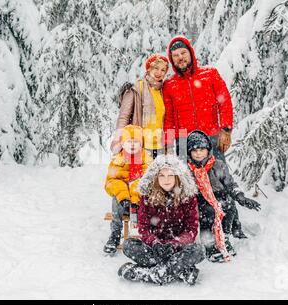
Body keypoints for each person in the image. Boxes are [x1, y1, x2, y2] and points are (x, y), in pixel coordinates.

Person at [162, 36, 247, 238]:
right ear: (172, 60)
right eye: (176, 56)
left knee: (221, 179)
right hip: (184, 141)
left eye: (183, 53)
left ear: (190, 53)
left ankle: (233, 224)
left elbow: (224, 101)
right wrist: (167, 143)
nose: (180, 58)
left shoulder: (210, 74)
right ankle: (197, 226)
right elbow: (170, 117)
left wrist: (225, 130)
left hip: (211, 137)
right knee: (188, 185)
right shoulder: (170, 85)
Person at [118, 155, 205, 285]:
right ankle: (180, 271)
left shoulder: (188, 197)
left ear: (178, 176)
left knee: (199, 250)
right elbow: (143, 227)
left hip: (178, 250)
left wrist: (175, 244)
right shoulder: (147, 197)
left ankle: (146, 273)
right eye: (162, 176)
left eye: (170, 175)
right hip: (153, 249)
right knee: (128, 245)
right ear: (155, 178)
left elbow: (191, 229)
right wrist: (155, 243)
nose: (166, 180)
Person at [186, 130, 261, 262]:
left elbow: (230, 184)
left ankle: (226, 235)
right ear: (189, 153)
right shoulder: (187, 170)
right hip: (200, 200)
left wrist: (240, 197)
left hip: (220, 196)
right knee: (208, 213)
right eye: (194, 150)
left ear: (208, 150)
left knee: (229, 206)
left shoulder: (218, 165)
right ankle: (210, 244)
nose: (198, 153)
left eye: (202, 149)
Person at [110, 53, 169, 159]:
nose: (159, 72)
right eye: (156, 68)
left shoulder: (164, 91)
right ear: (149, 68)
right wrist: (118, 141)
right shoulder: (136, 88)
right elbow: (124, 117)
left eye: (163, 70)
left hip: (160, 147)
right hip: (140, 145)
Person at [104, 125, 152, 254]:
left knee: (148, 197)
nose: (132, 145)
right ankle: (115, 233)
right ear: (123, 144)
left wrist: (135, 196)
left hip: (139, 201)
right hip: (123, 202)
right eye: (128, 141)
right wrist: (124, 196)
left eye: (135, 141)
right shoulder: (117, 161)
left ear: (141, 144)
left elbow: (147, 181)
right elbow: (111, 182)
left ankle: (147, 233)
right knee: (116, 199)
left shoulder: (146, 160)